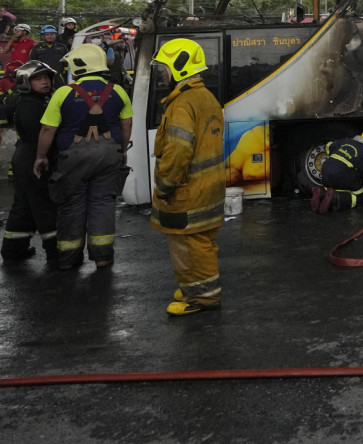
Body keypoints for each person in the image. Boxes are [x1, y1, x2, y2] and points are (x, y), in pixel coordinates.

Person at [34, 43, 133, 270]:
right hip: (109, 156)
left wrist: (41, 156)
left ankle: (69, 259)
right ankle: (102, 257)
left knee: (71, 205)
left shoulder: (63, 93)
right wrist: (123, 149)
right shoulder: (117, 90)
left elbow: (48, 130)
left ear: (78, 66)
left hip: (72, 158)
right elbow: (126, 124)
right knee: (103, 204)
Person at [149, 38, 226, 316]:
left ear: (179, 68)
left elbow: (178, 151)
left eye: (165, 68)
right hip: (209, 187)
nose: (163, 74)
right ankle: (195, 286)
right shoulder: (205, 97)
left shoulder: (182, 104)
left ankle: (202, 298)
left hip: (187, 191)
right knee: (203, 241)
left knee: (188, 245)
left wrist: (164, 185)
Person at [1, 61, 58, 265]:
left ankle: (13, 250)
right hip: (34, 159)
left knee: (24, 206)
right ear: (25, 81)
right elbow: (40, 136)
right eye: (38, 79)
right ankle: (56, 252)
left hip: (25, 157)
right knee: (45, 205)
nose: (45, 82)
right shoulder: (31, 105)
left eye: (46, 78)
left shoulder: (30, 101)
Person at [310, 126, 363, 214]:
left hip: (326, 169)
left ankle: (322, 194)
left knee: (333, 187)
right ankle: (334, 199)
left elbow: (329, 146)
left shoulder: (346, 141)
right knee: (359, 198)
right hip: (343, 174)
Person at [0, 24, 36, 92]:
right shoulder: (13, 42)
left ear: (25, 32)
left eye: (18, 30)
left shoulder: (31, 43)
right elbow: (4, 51)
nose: (15, 32)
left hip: (25, 71)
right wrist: (11, 40)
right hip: (12, 72)